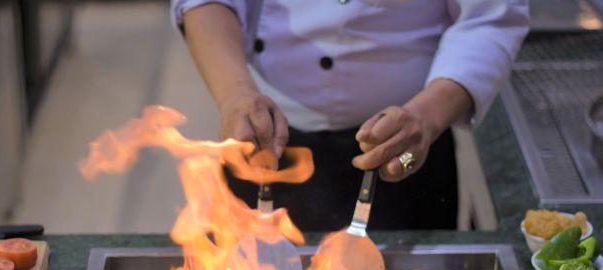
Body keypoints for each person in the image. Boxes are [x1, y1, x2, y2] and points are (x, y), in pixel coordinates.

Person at [170, 0, 529, 231]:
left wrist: (426, 117)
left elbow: (490, 19)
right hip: (263, 135)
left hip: (405, 145)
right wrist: (235, 93)